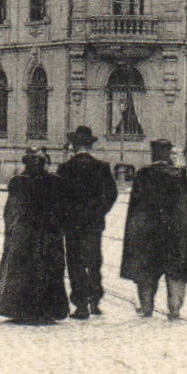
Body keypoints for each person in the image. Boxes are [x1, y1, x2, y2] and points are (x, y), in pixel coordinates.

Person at [120, 139, 187, 320]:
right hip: (174, 233)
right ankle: (174, 309)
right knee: (176, 271)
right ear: (169, 154)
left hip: (148, 234)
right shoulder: (178, 175)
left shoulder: (143, 175)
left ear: (153, 154)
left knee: (146, 272)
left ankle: (146, 308)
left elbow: (135, 209)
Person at [0, 148, 70, 324]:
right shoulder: (54, 181)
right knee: (46, 267)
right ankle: (47, 309)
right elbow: (63, 208)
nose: (36, 165)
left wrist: (11, 229)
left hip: (28, 230)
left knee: (25, 267)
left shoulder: (18, 181)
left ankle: (21, 308)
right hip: (47, 230)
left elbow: (11, 209)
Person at [57, 126, 118, 319]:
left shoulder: (65, 168)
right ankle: (95, 301)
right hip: (94, 223)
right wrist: (99, 211)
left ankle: (80, 304)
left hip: (72, 223)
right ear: (90, 145)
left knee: (75, 262)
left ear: (74, 146)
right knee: (93, 260)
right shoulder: (101, 167)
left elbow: (58, 196)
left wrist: (65, 215)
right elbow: (111, 194)